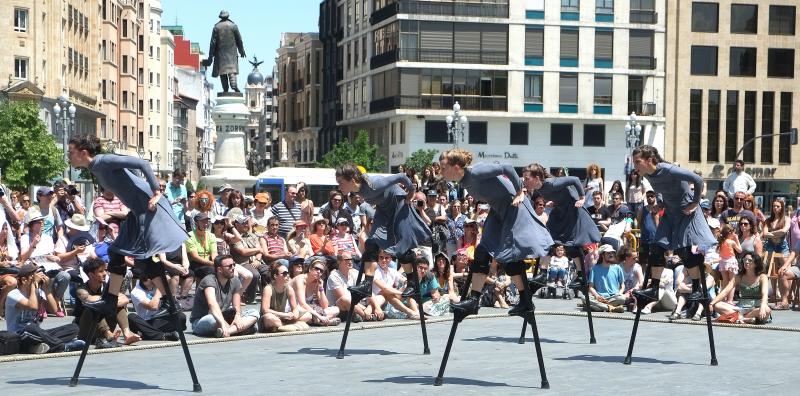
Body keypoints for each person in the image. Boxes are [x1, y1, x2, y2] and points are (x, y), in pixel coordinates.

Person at [66, 135, 187, 320]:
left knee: (144, 259)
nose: (69, 156)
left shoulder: (103, 161)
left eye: (71, 153)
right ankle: (110, 300)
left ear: (83, 153)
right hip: (136, 212)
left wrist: (155, 191)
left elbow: (141, 163)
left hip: (147, 209)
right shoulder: (95, 168)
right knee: (116, 253)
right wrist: (136, 184)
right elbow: (130, 173)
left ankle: (170, 302)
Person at [624, 144, 718, 365]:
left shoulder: (669, 169)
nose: (635, 166)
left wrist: (696, 203)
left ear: (649, 159)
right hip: (670, 213)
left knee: (685, 252)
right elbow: (667, 192)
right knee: (656, 249)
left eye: (637, 161)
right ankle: (654, 288)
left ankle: (696, 289)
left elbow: (697, 180)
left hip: (686, 212)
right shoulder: (650, 176)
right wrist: (660, 205)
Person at [438, 149, 552, 320]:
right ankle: (474, 301)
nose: (441, 172)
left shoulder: (476, 171)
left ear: (455, 167)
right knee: (482, 251)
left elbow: (506, 167)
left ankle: (526, 302)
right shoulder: (463, 181)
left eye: (443, 167)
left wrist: (520, 191)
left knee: (510, 256)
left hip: (513, 208)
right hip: (498, 212)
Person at [334, 164, 430, 301]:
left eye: (341, 183)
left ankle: (413, 284)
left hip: (399, 206)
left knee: (402, 247)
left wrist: (410, 195)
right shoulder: (359, 189)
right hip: (384, 210)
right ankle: (367, 284)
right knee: (371, 243)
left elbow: (402, 177)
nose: (339, 187)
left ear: (352, 180)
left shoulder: (374, 184)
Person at [4, 262, 84, 354]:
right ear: (24, 280)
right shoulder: (13, 294)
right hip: (19, 335)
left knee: (73, 328)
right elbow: (33, 306)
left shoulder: (38, 292)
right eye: (33, 276)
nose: (38, 278)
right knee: (31, 328)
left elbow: (54, 310)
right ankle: (62, 346)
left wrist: (47, 289)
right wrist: (34, 285)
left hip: (37, 333)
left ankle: (38, 346)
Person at [75, 257, 140, 347]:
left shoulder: (107, 287)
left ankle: (127, 334)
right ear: (91, 275)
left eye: (105, 270)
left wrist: (111, 301)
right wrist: (111, 300)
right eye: (101, 271)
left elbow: (124, 299)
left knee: (118, 305)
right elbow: (89, 299)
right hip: (86, 332)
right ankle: (108, 334)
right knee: (94, 307)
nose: (105, 273)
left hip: (103, 329)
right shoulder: (81, 290)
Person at [190, 255, 259, 337]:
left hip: (224, 318)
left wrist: (237, 317)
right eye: (230, 266)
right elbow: (212, 304)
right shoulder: (209, 280)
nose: (233, 268)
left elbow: (236, 305)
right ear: (219, 269)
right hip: (202, 320)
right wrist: (222, 323)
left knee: (254, 313)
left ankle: (227, 331)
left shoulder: (235, 280)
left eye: (234, 264)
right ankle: (238, 330)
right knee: (211, 319)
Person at [711, 252, 771, 324]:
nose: (746, 262)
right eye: (745, 260)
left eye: (750, 260)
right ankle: (745, 319)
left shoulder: (762, 277)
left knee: (767, 310)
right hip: (741, 307)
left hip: (756, 307)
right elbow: (725, 291)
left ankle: (738, 318)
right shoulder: (739, 277)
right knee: (717, 305)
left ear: (756, 263)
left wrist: (763, 306)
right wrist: (711, 304)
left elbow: (765, 294)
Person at [128, 273, 185, 341]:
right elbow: (153, 306)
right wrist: (160, 288)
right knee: (131, 317)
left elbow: (171, 301)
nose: (156, 281)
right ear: (146, 280)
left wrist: (168, 283)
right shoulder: (136, 292)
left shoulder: (156, 285)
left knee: (181, 317)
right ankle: (163, 336)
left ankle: (147, 334)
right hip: (147, 321)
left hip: (161, 318)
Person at [202, 10, 246, 93]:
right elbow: (239, 40)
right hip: (232, 55)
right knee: (232, 71)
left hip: (220, 54)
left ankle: (225, 89)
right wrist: (241, 51)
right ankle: (234, 87)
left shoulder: (216, 27)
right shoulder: (233, 26)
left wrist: (210, 57)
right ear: (228, 16)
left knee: (223, 73)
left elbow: (212, 43)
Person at [290, 256, 341, 326]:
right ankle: (323, 320)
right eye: (316, 269)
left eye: (321, 271)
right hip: (294, 308)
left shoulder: (316, 282)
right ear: (310, 269)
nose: (319, 272)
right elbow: (302, 303)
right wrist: (319, 316)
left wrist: (321, 288)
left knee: (336, 309)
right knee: (308, 315)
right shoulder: (300, 280)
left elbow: (325, 305)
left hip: (308, 310)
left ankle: (319, 320)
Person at [260, 264, 312, 332]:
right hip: (273, 317)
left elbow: (295, 308)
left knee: (308, 315)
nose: (287, 276)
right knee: (269, 317)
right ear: (275, 276)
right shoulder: (268, 289)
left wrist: (294, 316)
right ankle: (291, 326)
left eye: (288, 273)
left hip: (283, 318)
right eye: (284, 274)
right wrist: (284, 315)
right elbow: (265, 310)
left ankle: (281, 327)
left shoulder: (289, 289)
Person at [371, 250, 418, 320]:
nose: (384, 260)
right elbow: (385, 288)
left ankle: (416, 312)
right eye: (381, 257)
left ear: (390, 259)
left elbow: (404, 280)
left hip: (391, 300)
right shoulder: (375, 270)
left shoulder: (392, 271)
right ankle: (410, 312)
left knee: (409, 289)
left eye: (386, 258)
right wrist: (402, 293)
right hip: (377, 301)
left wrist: (406, 285)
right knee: (386, 292)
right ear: (378, 258)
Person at [326, 251, 369, 322]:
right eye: (347, 260)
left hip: (358, 304)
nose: (350, 262)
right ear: (339, 262)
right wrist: (364, 310)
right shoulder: (334, 276)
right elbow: (344, 298)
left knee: (380, 296)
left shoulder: (354, 272)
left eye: (351, 259)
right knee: (345, 298)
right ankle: (365, 316)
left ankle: (372, 312)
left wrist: (371, 307)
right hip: (342, 309)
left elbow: (367, 289)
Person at [586, 244, 626, 312]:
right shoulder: (594, 268)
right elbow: (590, 287)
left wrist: (620, 293)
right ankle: (610, 307)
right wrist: (596, 296)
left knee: (622, 298)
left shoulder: (617, 268)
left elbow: (622, 285)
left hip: (614, 297)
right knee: (584, 297)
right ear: (602, 255)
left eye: (612, 253)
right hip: (599, 297)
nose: (611, 255)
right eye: (608, 253)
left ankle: (600, 307)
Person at [186, 212, 218, 282]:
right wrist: (212, 264)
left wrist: (216, 262)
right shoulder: (190, 236)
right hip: (195, 264)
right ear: (196, 223)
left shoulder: (211, 236)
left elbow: (214, 254)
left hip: (208, 262)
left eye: (207, 222)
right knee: (212, 270)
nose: (206, 224)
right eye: (203, 222)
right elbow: (195, 257)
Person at [718, 224, 742, 303]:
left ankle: (723, 299)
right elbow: (740, 250)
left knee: (725, 282)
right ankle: (730, 300)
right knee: (732, 282)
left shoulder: (720, 241)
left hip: (723, 263)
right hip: (731, 262)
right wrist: (737, 239)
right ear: (730, 233)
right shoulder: (731, 242)